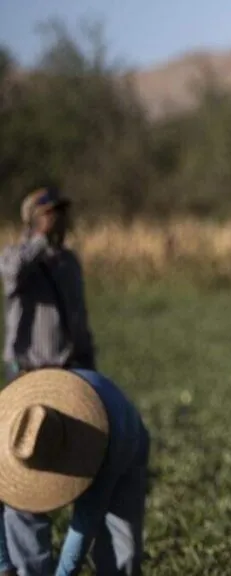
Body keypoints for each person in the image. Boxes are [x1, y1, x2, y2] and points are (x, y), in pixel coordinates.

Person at [0, 367, 149, 576]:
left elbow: (85, 523)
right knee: (18, 508)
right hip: (50, 442)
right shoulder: (17, 435)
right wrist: (4, 565)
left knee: (121, 550)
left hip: (125, 438)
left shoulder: (104, 446)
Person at [0, 186, 97, 381]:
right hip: (28, 370)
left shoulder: (68, 261)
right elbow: (13, 274)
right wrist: (40, 238)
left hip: (71, 368)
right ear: (33, 219)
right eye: (50, 213)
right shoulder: (14, 255)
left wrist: (88, 359)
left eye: (61, 213)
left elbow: (78, 314)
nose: (59, 219)